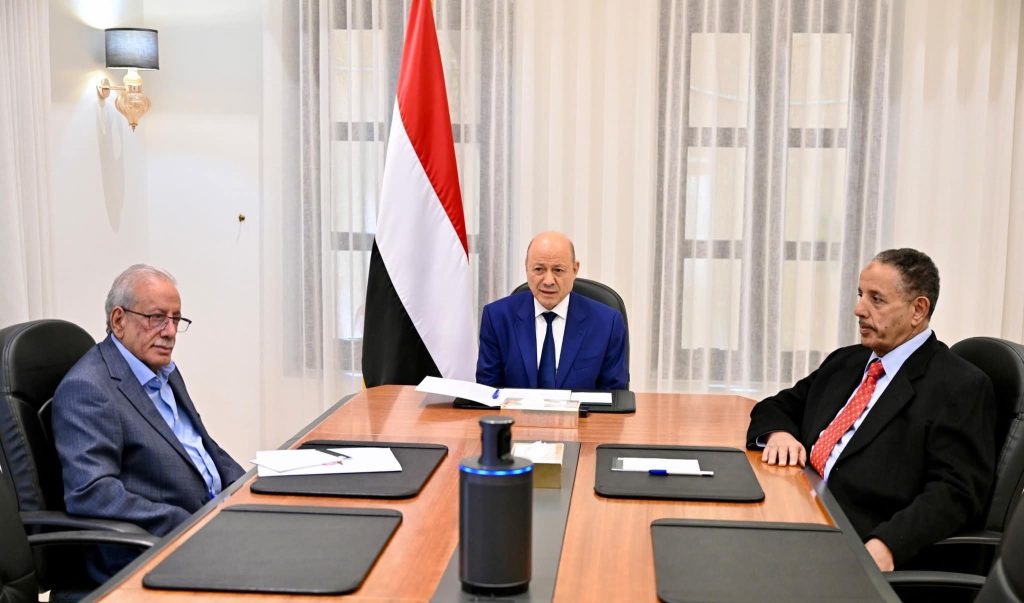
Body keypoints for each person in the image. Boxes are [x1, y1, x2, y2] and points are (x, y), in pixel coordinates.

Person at [747, 248, 995, 571]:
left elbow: (956, 493)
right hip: (798, 509)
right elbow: (778, 405)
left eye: (876, 299)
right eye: (860, 295)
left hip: (856, 542)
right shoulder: (847, 361)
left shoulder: (959, 386)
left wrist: (888, 544)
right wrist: (779, 434)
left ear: (918, 310)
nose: (858, 309)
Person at [52, 264, 244, 578]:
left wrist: (250, 489)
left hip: (214, 523)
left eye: (176, 319)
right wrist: (191, 523)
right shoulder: (87, 389)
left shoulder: (161, 369)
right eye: (157, 318)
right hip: (156, 551)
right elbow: (92, 493)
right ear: (119, 321)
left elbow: (202, 446)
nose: (170, 332)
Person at [476, 231, 628, 390]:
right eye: (539, 269)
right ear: (526, 267)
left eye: (558, 270)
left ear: (575, 269)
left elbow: (614, 395)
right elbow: (487, 392)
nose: (548, 281)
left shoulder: (607, 323)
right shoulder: (497, 318)